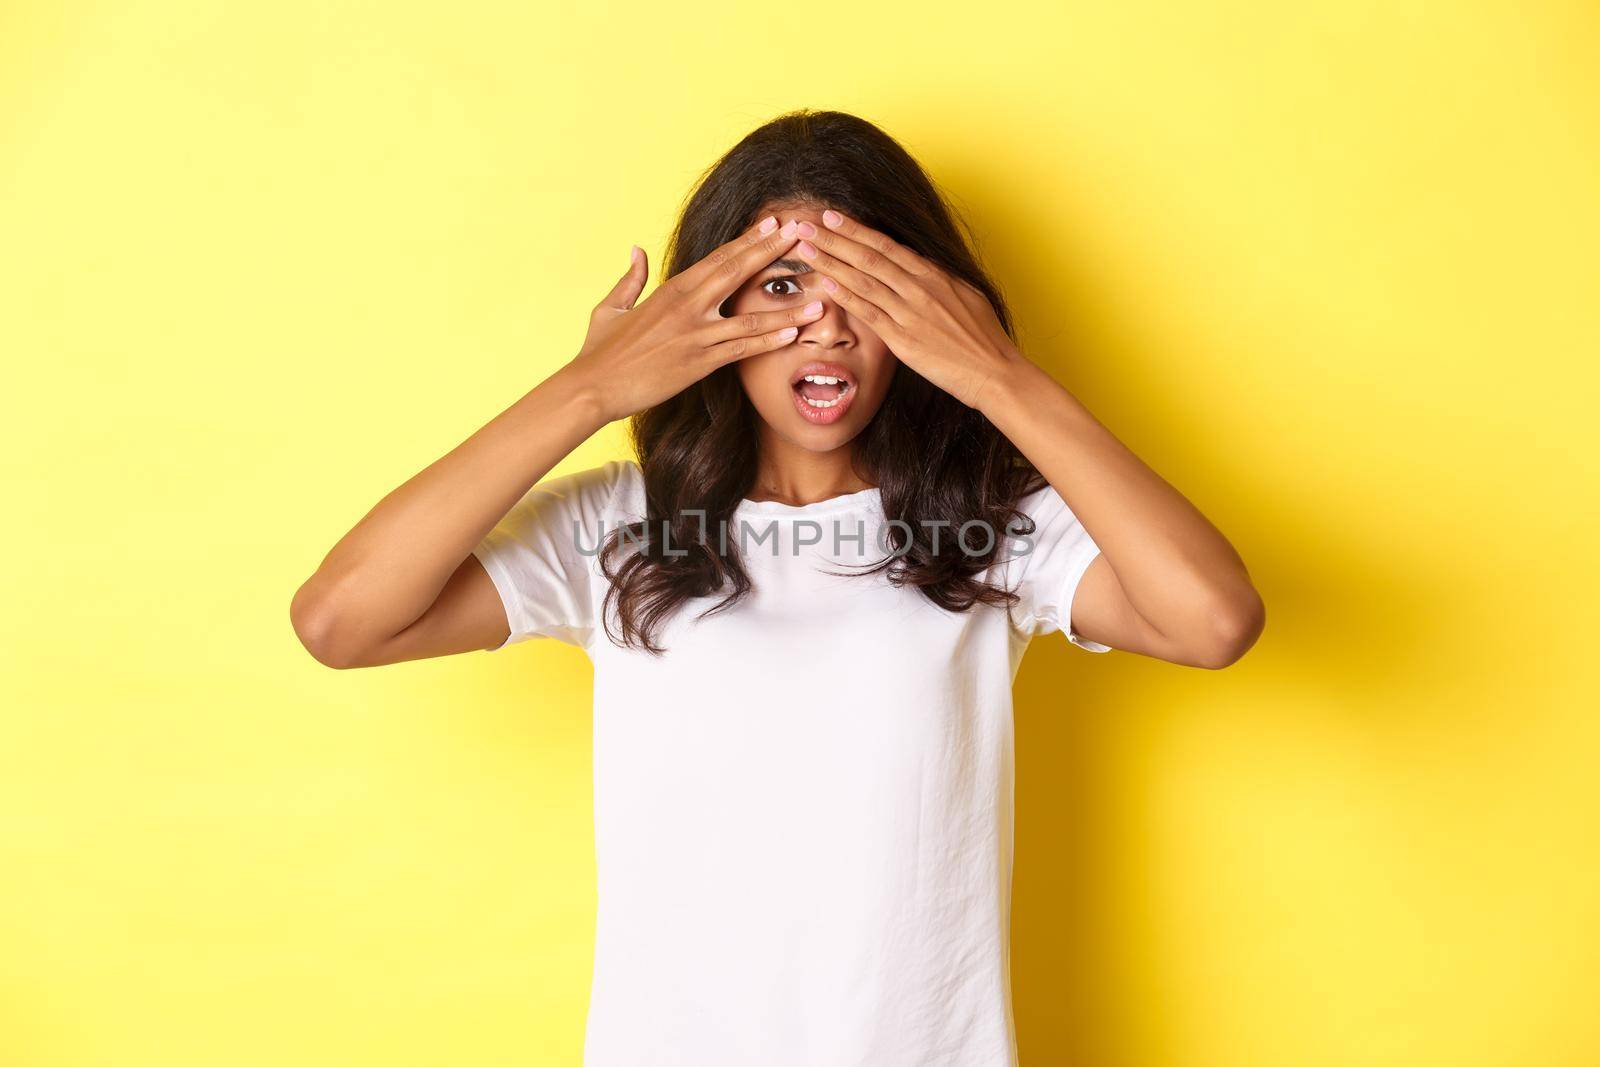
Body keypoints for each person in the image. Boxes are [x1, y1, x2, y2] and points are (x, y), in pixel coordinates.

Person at [290, 108, 1264, 1066]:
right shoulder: (617, 528)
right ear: (706, 317)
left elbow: (1213, 619)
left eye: (866, 289)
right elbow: (340, 618)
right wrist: (588, 388)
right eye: (784, 285)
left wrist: (998, 376)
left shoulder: (984, 525)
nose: (823, 326)